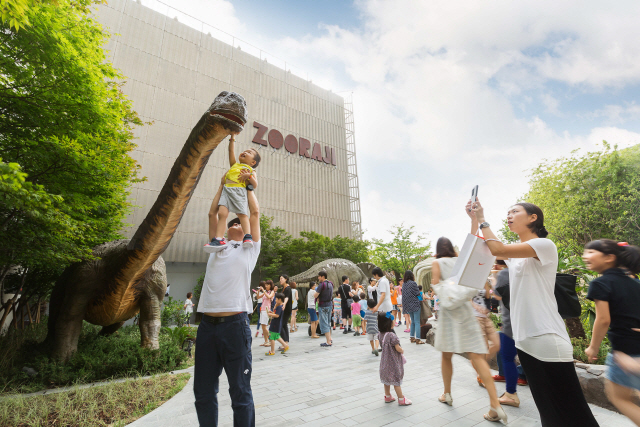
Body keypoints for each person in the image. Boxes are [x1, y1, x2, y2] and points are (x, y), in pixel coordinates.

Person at [468, 199, 597, 426]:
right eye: (507, 212)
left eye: (514, 211)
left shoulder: (544, 246)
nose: (509, 215)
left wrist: (482, 219)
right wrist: (473, 221)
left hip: (547, 338)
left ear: (533, 218)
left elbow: (497, 247)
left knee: (574, 412)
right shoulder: (516, 257)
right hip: (526, 341)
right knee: (549, 412)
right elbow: (484, 248)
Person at [194, 173, 261, 426]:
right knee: (203, 392)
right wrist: (222, 185)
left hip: (235, 325)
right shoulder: (217, 246)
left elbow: (253, 215)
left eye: (238, 224)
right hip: (207, 327)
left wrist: (247, 187)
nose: (235, 224)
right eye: (231, 223)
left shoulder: (250, 248)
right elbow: (214, 215)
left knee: (240, 392)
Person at [432, 236, 507, 423]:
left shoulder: (437, 263)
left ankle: (447, 394)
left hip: (449, 313)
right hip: (466, 311)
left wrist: (446, 290)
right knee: (477, 356)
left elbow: (435, 286)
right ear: (452, 249)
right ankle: (494, 404)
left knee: (446, 356)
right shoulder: (460, 261)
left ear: (438, 250)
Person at [583, 239, 640, 425]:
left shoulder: (601, 283)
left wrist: (593, 347)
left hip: (624, 350)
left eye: (591, 252)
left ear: (609, 258)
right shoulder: (635, 281)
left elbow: (603, 319)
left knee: (620, 398)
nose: (585, 256)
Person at [205, 135, 260, 252]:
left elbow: (254, 185)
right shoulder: (234, 165)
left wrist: (249, 176)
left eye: (249, 152)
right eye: (244, 151)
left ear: (253, 162)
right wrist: (232, 137)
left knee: (242, 214)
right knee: (222, 213)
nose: (245, 152)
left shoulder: (251, 170)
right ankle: (219, 238)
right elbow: (231, 151)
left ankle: (247, 236)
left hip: (239, 191)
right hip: (226, 190)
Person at [491, 261, 526, 408]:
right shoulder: (526, 271)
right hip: (527, 323)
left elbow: (498, 296)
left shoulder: (505, 273)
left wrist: (494, 279)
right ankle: (521, 377)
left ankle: (511, 394)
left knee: (507, 358)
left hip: (511, 325)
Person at [378, 312, 412, 406]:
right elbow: (397, 348)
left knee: (387, 380)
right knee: (396, 381)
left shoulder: (380, 334)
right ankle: (401, 399)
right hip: (393, 362)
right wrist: (402, 350)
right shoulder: (392, 336)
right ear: (388, 323)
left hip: (384, 362)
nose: (394, 322)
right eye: (393, 321)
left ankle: (388, 396)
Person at [472, 281, 501, 387]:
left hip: (485, 317)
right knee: (483, 348)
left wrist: (486, 284)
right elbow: (466, 298)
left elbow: (488, 296)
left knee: (497, 343)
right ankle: (482, 375)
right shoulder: (469, 279)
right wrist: (476, 307)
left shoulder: (482, 278)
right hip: (475, 317)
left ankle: (477, 363)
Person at [401, 271, 423, 344]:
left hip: (408, 306)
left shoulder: (404, 284)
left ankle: (412, 337)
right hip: (415, 305)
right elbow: (417, 293)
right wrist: (421, 300)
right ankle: (418, 339)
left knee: (413, 321)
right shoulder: (413, 283)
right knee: (417, 322)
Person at [314, 271, 334, 347]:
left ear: (322, 276)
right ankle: (330, 338)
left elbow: (315, 295)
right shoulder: (330, 283)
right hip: (329, 305)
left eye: (319, 276)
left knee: (324, 323)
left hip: (323, 306)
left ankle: (328, 342)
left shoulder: (321, 285)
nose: (318, 278)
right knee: (328, 322)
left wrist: (314, 293)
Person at [258, 281, 274, 347]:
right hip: (262, 310)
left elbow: (269, 297)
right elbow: (258, 297)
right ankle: (266, 341)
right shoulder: (265, 292)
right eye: (266, 285)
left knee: (265, 327)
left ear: (270, 285)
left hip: (266, 310)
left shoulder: (271, 292)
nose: (266, 286)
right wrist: (258, 291)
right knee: (263, 327)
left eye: (267, 285)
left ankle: (271, 341)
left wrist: (263, 291)